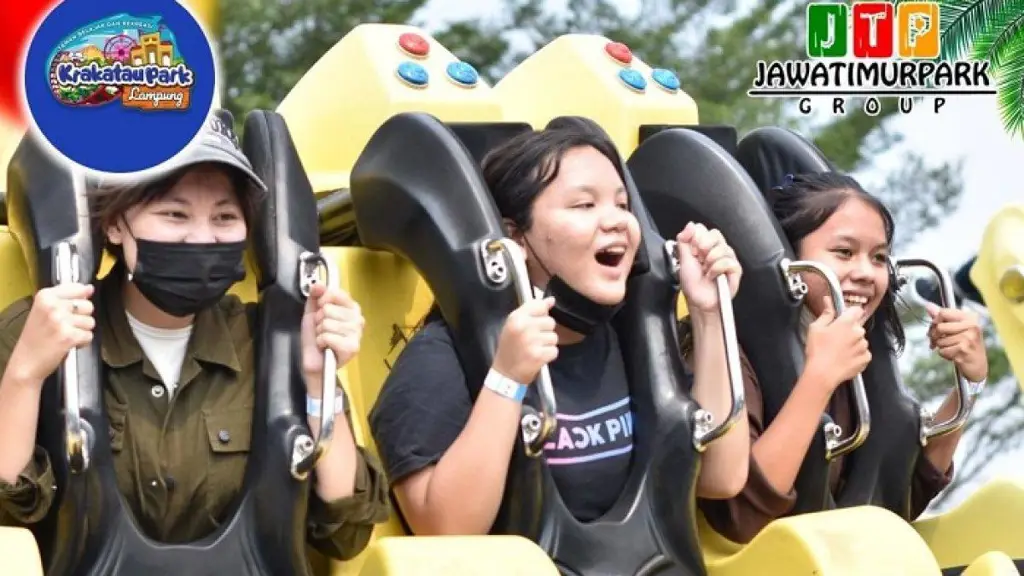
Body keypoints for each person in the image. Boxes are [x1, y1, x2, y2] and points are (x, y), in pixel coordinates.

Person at [0, 112, 389, 560]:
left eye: (225, 217)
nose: (201, 238)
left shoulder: (271, 339)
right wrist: (26, 376)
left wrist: (316, 378)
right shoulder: (39, 329)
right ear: (114, 224)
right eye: (174, 213)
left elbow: (345, 533)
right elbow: (10, 523)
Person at [368, 124, 750, 536]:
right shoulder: (440, 357)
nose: (617, 221)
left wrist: (708, 313)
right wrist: (507, 379)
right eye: (584, 205)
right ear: (514, 236)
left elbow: (720, 478)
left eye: (623, 205)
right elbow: (444, 530)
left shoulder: (635, 340)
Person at [693, 171, 987, 544]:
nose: (866, 273)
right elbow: (741, 515)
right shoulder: (727, 353)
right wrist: (818, 379)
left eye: (879, 257)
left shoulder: (860, 355)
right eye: (844, 253)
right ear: (788, 259)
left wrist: (969, 383)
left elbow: (903, 498)